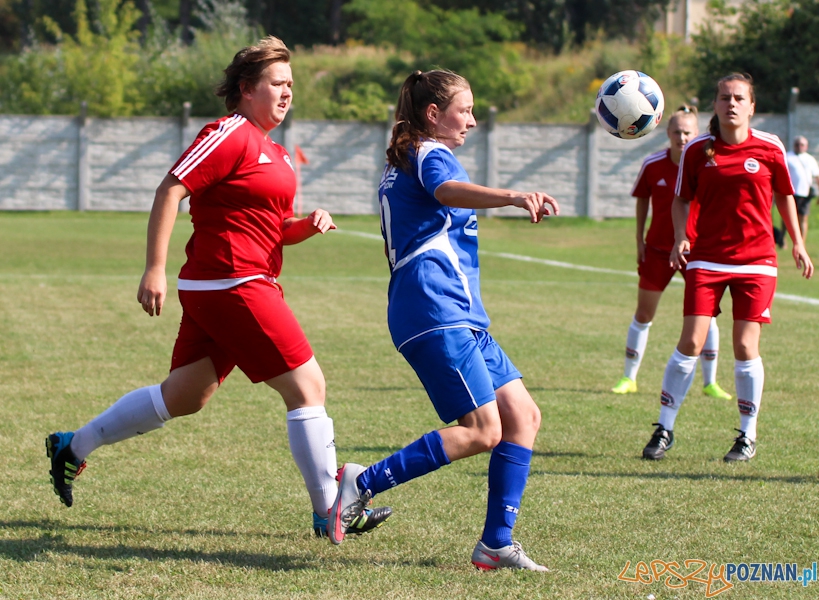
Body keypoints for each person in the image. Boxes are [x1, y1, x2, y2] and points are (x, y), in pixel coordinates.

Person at [45, 36, 391, 538]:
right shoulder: (229, 132)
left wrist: (305, 226)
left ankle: (72, 447)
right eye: (278, 83)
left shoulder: (277, 152)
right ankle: (330, 510)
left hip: (236, 281)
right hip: (232, 281)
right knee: (308, 386)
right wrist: (153, 268)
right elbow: (172, 188)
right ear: (247, 89)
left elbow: (273, 228)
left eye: (291, 84)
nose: (288, 92)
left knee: (184, 396)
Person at [327, 69, 559, 571]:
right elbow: (448, 189)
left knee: (523, 417)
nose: (472, 121)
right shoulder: (430, 153)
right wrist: (514, 196)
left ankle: (496, 543)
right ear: (434, 114)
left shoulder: (407, 155)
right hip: (435, 309)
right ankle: (360, 483)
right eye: (465, 109)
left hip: (459, 313)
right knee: (481, 430)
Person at [641, 73, 813, 462]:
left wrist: (799, 244)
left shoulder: (770, 147)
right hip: (705, 258)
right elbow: (681, 199)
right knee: (691, 342)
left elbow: (785, 194)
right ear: (715, 105)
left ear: (751, 106)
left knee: (745, 345)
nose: (731, 104)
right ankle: (664, 428)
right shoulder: (698, 149)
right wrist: (682, 235)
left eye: (738, 98)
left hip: (757, 261)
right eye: (723, 98)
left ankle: (746, 436)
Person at [612, 105, 731, 401]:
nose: (682, 137)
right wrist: (638, 240)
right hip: (657, 250)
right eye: (677, 131)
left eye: (688, 132)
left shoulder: (708, 163)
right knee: (643, 313)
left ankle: (710, 382)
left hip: (698, 252)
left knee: (708, 317)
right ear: (667, 133)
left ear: (697, 134)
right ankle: (629, 377)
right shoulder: (653, 164)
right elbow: (641, 201)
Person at [785, 135, 819, 243]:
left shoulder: (809, 159)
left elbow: (816, 176)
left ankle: (801, 243)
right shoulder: (787, 157)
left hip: (805, 192)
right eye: (797, 144)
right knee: (787, 218)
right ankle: (783, 239)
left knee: (803, 217)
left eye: (802, 145)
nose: (799, 147)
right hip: (789, 192)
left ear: (806, 146)